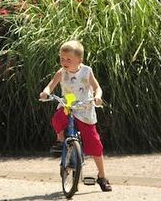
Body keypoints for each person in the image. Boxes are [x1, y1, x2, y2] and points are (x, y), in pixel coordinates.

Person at [39, 39, 112, 192]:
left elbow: (97, 88)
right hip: (69, 104)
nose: (64, 62)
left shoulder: (86, 71)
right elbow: (51, 85)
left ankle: (102, 176)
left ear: (80, 60)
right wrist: (46, 92)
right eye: (62, 59)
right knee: (57, 118)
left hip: (84, 108)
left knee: (94, 142)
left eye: (68, 59)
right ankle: (60, 140)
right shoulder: (61, 72)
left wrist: (97, 97)